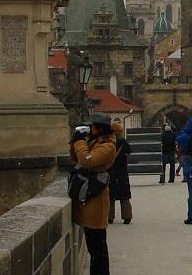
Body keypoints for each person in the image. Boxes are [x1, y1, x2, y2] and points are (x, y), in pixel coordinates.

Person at [70, 112, 117, 275]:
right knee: (95, 248)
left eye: (92, 126)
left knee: (98, 249)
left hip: (96, 202)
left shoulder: (108, 146)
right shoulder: (95, 142)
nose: (90, 129)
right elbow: (76, 158)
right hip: (89, 199)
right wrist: (75, 141)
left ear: (99, 128)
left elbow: (86, 161)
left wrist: (80, 142)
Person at [108, 121, 133, 225]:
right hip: (122, 172)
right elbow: (129, 150)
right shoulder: (123, 142)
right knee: (124, 196)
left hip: (111, 171)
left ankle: (109, 217)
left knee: (110, 196)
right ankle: (127, 217)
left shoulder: (109, 142)